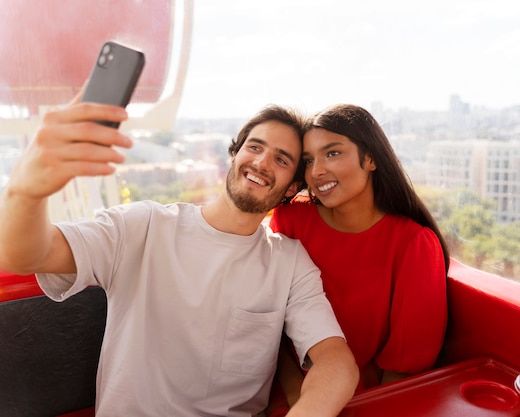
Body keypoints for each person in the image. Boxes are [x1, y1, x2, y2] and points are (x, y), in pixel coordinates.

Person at [0, 95, 359, 417]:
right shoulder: (144, 226)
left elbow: (335, 361)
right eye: (254, 147)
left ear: (292, 187)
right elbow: (30, 255)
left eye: (281, 159)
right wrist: (26, 192)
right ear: (235, 155)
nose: (262, 162)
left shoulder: (289, 262)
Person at [268, 103, 449, 410]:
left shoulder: (414, 244)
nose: (316, 171)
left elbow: (402, 370)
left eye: (333, 153)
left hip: (364, 404)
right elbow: (269, 327)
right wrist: (299, 393)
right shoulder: (290, 221)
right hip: (285, 394)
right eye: (309, 160)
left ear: (371, 158)